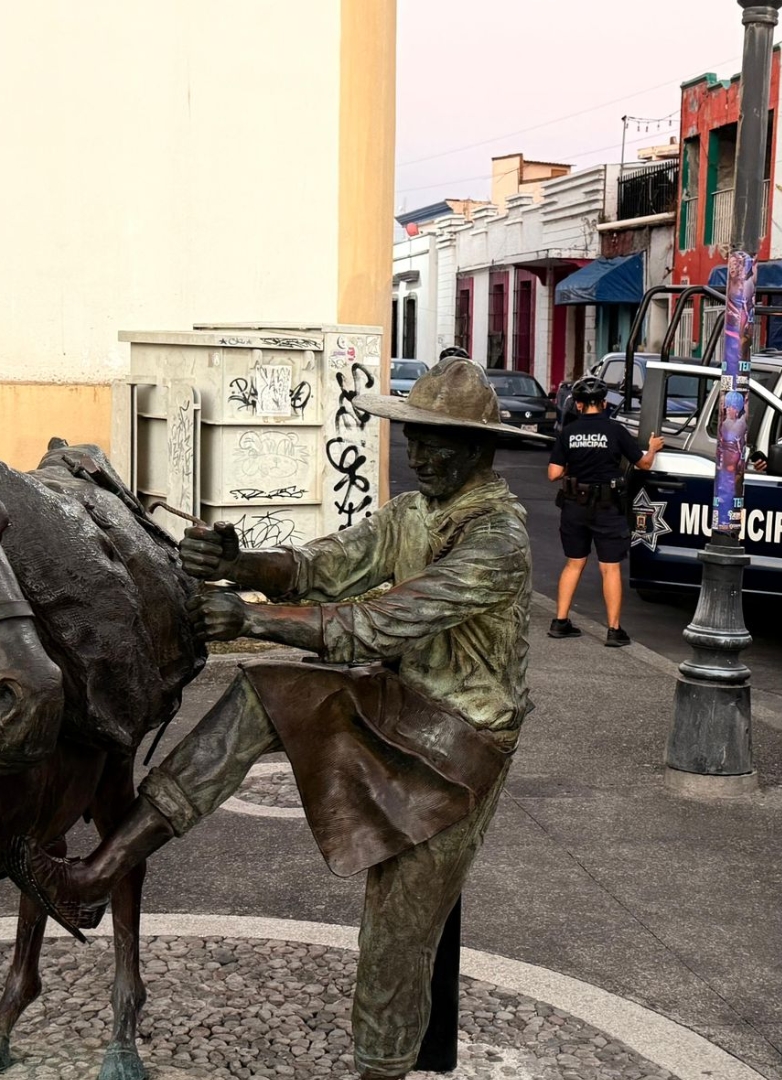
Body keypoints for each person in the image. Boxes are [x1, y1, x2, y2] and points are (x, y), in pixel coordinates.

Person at [13, 358, 536, 1080]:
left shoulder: (498, 540)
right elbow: (324, 566)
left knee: (396, 936)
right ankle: (96, 874)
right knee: (262, 694)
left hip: (462, 746)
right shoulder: (414, 513)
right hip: (399, 706)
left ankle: (380, 1070)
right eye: (413, 439)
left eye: (436, 443)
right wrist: (241, 564)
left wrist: (252, 620)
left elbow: (376, 624)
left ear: (479, 449)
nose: (419, 455)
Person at [546, 375, 663, 647]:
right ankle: (613, 630)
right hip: (607, 507)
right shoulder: (615, 430)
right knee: (609, 568)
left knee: (574, 563)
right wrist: (653, 449)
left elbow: (553, 473)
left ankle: (560, 622)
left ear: (578, 404)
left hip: (574, 505)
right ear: (604, 402)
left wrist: (575, 464)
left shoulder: (568, 433)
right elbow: (644, 464)